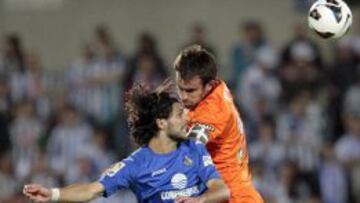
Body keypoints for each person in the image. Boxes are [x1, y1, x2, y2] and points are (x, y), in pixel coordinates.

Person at [23, 82, 230, 203]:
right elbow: (91, 190)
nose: (187, 118)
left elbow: (222, 189)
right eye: (179, 115)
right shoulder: (135, 165)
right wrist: (53, 194)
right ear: (161, 123)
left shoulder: (194, 149)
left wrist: (199, 200)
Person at [174, 45, 263, 203]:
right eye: (180, 88)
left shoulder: (212, 113)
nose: (183, 97)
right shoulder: (216, 86)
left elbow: (187, 153)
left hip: (233, 197)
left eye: (190, 91)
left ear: (208, 85)